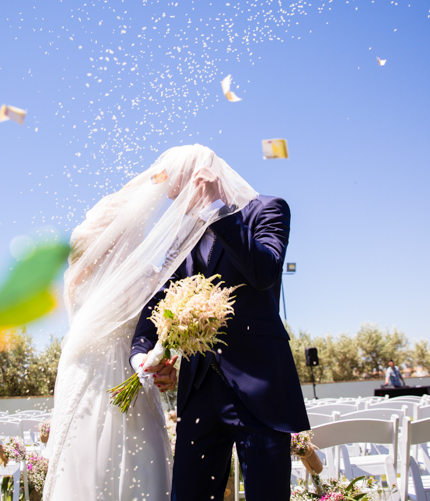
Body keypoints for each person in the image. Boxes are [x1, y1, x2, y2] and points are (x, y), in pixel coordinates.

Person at [43, 145, 260, 501]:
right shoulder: (142, 276)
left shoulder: (98, 278)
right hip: (102, 372)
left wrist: (161, 358)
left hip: (112, 369)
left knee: (100, 462)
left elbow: (154, 328)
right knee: (104, 458)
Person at [130, 155, 310, 501]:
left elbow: (264, 271)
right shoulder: (182, 236)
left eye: (178, 192)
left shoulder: (267, 209)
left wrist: (216, 208)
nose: (175, 203)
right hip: (199, 389)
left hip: (260, 383)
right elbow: (158, 303)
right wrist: (143, 357)